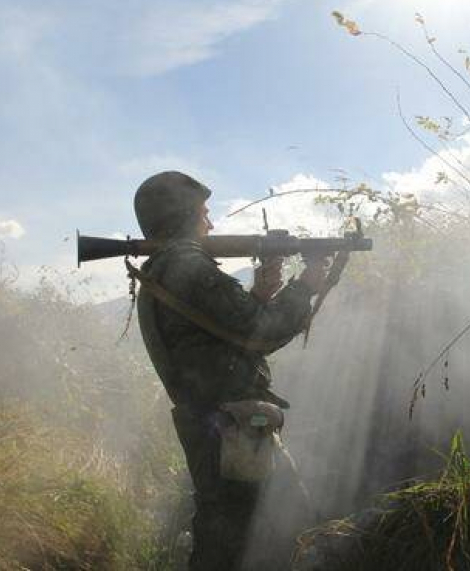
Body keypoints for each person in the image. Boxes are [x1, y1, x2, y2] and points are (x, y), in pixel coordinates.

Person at [133, 171, 326, 570]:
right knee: (238, 538)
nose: (211, 223)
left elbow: (221, 333)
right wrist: (305, 285)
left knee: (230, 534)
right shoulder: (189, 268)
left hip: (221, 423)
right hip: (229, 428)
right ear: (184, 216)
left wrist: (260, 293)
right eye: (204, 214)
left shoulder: (165, 269)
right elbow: (260, 334)